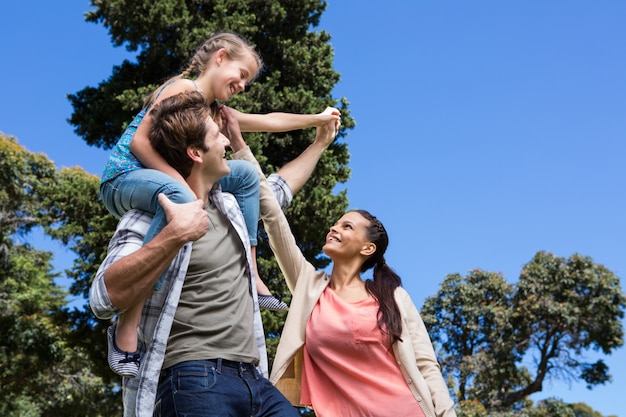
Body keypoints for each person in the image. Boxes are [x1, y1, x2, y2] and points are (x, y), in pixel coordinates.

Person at [99, 30, 341, 377]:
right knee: (183, 199)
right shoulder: (182, 90)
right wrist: (183, 189)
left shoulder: (214, 111)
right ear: (221, 57)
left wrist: (317, 120)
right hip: (125, 176)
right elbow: (139, 142)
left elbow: (269, 121)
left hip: (165, 180)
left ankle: (251, 273)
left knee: (242, 174)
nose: (243, 84)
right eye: (242, 75)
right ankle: (127, 324)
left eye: (248, 81)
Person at [238, 122, 457, 416]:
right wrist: (239, 144)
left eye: (347, 226)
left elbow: (425, 365)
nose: (334, 227)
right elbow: (273, 216)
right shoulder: (310, 287)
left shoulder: (392, 297)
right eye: (336, 223)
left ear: (367, 248)